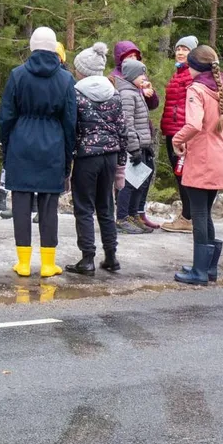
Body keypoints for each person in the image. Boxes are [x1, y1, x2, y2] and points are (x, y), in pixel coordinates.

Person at [0, 27, 77, 278]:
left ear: (32, 46)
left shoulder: (17, 75)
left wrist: (7, 147)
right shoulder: (66, 79)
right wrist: (68, 157)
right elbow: (70, 122)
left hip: (21, 142)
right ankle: (47, 263)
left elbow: (6, 116)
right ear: (54, 47)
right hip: (53, 143)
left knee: (21, 205)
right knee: (48, 206)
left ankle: (23, 263)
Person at [172, 45, 223, 285]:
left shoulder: (197, 90)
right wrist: (219, 141)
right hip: (219, 158)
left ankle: (199, 271)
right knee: (206, 213)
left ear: (194, 67)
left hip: (201, 159)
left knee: (199, 213)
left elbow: (193, 125)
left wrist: (177, 139)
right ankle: (209, 268)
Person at [66, 43, 128, 275]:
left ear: (82, 70)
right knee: (106, 206)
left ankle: (87, 258)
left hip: (87, 157)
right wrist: (121, 162)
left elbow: (71, 128)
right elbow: (123, 130)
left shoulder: (76, 93)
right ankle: (111, 256)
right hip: (110, 157)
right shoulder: (114, 93)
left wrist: (68, 157)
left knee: (83, 207)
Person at [113, 57, 158, 234]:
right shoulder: (127, 95)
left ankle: (133, 215)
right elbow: (127, 124)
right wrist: (133, 147)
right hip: (133, 147)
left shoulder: (136, 92)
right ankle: (122, 217)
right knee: (130, 183)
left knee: (141, 182)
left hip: (142, 145)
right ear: (131, 76)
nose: (144, 78)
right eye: (141, 75)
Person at [160, 36, 196, 233]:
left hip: (182, 133)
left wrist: (185, 135)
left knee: (183, 174)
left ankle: (188, 217)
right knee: (180, 174)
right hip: (172, 130)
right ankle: (188, 215)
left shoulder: (190, 75)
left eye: (185, 49)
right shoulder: (178, 74)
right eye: (178, 49)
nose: (180, 52)